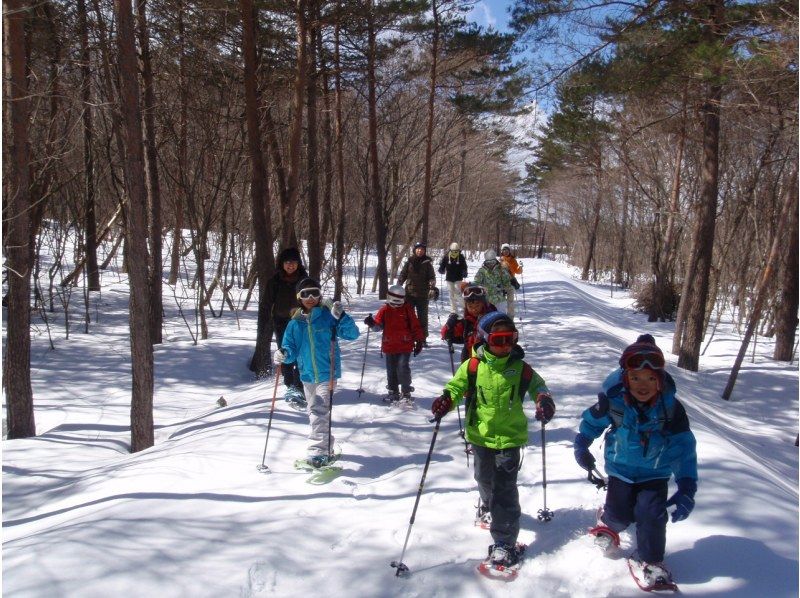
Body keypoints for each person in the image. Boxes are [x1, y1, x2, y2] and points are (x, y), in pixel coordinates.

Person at [431, 312, 555, 568]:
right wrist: (446, 399)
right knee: (483, 478)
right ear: (485, 339)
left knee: (505, 490)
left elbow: (538, 387)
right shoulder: (473, 366)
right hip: (480, 435)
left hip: (509, 438)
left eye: (510, 339)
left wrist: (544, 400)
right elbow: (456, 387)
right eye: (499, 340)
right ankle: (487, 504)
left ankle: (504, 542)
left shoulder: (521, 368)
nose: (505, 345)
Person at [573, 334, 697, 588]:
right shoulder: (615, 402)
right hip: (621, 470)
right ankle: (609, 523)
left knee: (651, 515)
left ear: (660, 380)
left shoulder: (671, 409)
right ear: (625, 377)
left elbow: (683, 447)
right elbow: (593, 422)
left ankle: (652, 562)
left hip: (655, 473)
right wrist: (582, 443)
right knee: (620, 513)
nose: (643, 384)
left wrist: (686, 485)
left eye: (651, 378)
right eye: (636, 377)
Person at [273, 278, 359, 467]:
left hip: (327, 374)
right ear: (299, 298)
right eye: (305, 294)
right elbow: (291, 349)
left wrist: (342, 316)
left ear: (320, 296)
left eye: (315, 293)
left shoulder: (328, 317)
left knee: (318, 410)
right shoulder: (295, 324)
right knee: (315, 413)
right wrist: (283, 354)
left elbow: (353, 334)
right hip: (307, 375)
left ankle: (317, 451)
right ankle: (326, 446)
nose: (310, 298)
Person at [363, 284, 424, 404]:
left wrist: (419, 341)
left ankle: (406, 391)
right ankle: (393, 391)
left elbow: (415, 326)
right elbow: (378, 327)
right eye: (394, 302)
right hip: (389, 345)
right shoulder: (384, 310)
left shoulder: (407, 309)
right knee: (391, 370)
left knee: (402, 367)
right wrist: (371, 323)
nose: (396, 305)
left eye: (399, 302)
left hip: (405, 345)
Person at [265, 247, 308, 408]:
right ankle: (289, 385)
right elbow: (266, 304)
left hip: (301, 322)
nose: (291, 265)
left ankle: (299, 384)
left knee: (301, 355)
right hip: (281, 321)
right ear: (282, 264)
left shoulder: (304, 280)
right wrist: (265, 324)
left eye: (294, 262)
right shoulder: (275, 281)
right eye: (287, 262)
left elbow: (314, 299)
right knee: (285, 353)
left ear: (298, 264)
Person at [441, 283, 497, 363]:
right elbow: (447, 334)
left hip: (489, 359)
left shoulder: (493, 318)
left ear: (483, 304)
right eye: (470, 307)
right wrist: (449, 324)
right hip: (469, 360)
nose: (474, 310)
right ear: (466, 306)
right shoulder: (466, 321)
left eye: (477, 306)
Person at [397, 242, 436, 344]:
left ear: (424, 251)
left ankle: (422, 339)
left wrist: (432, 285)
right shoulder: (409, 262)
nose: (420, 251)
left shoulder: (427, 264)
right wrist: (398, 284)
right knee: (407, 317)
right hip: (409, 294)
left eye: (422, 249)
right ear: (414, 250)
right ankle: (407, 337)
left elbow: (432, 277)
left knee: (422, 318)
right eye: (418, 249)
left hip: (423, 295)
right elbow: (403, 274)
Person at [474, 249, 513, 314]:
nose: (490, 265)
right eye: (488, 263)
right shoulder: (482, 271)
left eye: (492, 262)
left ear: (495, 261)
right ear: (485, 261)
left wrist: (508, 283)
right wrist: (475, 286)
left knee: (500, 317)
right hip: (487, 300)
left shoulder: (501, 270)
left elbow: (507, 282)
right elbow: (476, 282)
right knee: (489, 318)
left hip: (500, 299)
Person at [438, 242, 469, 315]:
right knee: (451, 294)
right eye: (453, 251)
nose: (455, 252)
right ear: (450, 250)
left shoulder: (461, 257)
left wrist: (464, 272)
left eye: (456, 251)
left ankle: (466, 307)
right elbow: (442, 265)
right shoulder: (446, 257)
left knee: (457, 293)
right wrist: (441, 269)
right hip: (449, 278)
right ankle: (454, 310)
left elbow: (464, 266)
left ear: (458, 250)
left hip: (458, 278)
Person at [498, 243, 523, 319]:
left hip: (510, 283)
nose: (505, 252)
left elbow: (518, 271)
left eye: (507, 250)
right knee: (500, 302)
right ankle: (501, 317)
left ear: (509, 251)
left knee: (510, 302)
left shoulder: (513, 260)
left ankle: (510, 318)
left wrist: (520, 267)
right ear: (502, 251)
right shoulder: (499, 260)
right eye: (504, 250)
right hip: (501, 283)